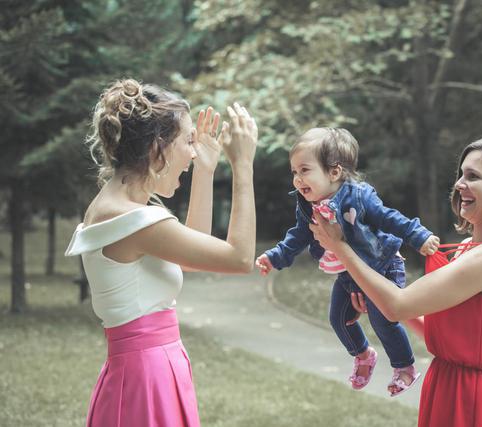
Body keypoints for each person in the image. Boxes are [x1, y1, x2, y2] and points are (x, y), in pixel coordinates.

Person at [310, 134, 482, 426]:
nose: (459, 184)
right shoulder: (467, 248)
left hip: (474, 399)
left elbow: (398, 305)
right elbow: (436, 330)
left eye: (473, 176)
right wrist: (377, 299)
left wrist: (340, 247)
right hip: (447, 384)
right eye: (461, 174)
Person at [65, 79, 257, 427]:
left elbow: (192, 256)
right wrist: (243, 165)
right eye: (188, 141)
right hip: (146, 379)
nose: (193, 153)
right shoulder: (133, 220)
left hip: (148, 370)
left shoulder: (118, 209)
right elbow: (240, 258)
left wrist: (205, 171)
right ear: (158, 147)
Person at [255, 127, 440, 396]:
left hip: (382, 267)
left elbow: (389, 218)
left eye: (304, 170)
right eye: (294, 172)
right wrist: (276, 256)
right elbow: (299, 235)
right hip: (348, 274)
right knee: (338, 318)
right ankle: (363, 354)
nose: (297, 179)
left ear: (334, 172)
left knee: (382, 319)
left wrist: (418, 235)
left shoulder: (359, 196)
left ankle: (404, 367)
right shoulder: (306, 204)